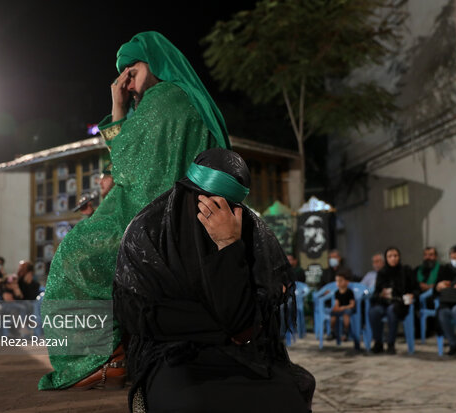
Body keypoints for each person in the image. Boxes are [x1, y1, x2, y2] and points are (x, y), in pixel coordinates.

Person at [39, 31, 230, 390]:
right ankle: (114, 352)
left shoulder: (165, 99)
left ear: (155, 62)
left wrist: (117, 110)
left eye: (132, 68)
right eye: (121, 73)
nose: (126, 81)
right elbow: (130, 167)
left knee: (75, 254)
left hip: (156, 220)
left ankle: (103, 358)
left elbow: (127, 169)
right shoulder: (177, 99)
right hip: (167, 216)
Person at [114, 149, 315, 412]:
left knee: (288, 398)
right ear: (190, 194)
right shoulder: (149, 231)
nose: (219, 215)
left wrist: (228, 244)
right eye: (209, 203)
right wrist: (221, 329)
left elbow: (242, 319)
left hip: (239, 356)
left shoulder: (248, 232)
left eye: (230, 207)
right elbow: (141, 315)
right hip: (172, 355)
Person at [369, 247, 416, 354]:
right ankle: (378, 342)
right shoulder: (382, 272)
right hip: (384, 302)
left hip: (400, 302)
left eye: (396, 256)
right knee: (374, 311)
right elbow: (376, 292)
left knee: (392, 310)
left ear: (399, 257)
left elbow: (415, 288)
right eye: (390, 256)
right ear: (386, 258)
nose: (393, 258)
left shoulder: (406, 270)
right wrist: (381, 294)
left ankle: (391, 343)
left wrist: (411, 295)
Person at [330, 271, 356, 343]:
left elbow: (352, 304)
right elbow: (337, 303)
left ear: (347, 282)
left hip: (348, 309)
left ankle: (346, 332)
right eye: (337, 281)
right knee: (333, 314)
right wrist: (336, 308)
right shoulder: (337, 293)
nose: (338, 283)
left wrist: (343, 307)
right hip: (341, 309)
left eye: (340, 280)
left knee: (346, 315)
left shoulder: (349, 292)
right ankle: (333, 332)